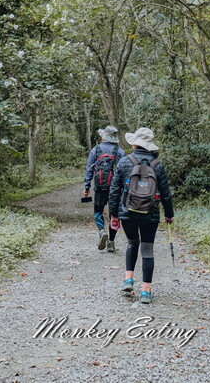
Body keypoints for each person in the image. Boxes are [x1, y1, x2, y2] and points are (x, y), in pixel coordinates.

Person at [108, 127, 173, 304]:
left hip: (127, 211)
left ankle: (128, 279)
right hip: (150, 212)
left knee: (132, 243)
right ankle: (145, 291)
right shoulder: (157, 165)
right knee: (146, 249)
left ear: (135, 142)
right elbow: (166, 193)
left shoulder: (124, 162)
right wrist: (169, 214)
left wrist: (114, 214)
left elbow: (114, 190)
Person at [83, 126, 125, 252]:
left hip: (100, 185)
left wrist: (87, 187)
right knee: (114, 214)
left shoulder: (96, 149)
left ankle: (102, 231)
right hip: (115, 188)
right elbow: (124, 170)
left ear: (104, 137)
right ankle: (111, 242)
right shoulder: (120, 151)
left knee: (98, 211)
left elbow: (89, 168)